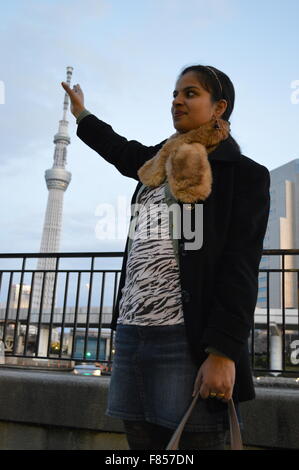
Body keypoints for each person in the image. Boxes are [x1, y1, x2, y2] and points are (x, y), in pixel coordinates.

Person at [61, 64, 270, 450]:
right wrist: (82, 115)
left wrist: (223, 353)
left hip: (185, 341)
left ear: (219, 106)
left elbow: (240, 267)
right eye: (174, 94)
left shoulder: (243, 174)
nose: (177, 101)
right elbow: (121, 150)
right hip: (132, 334)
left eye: (190, 93)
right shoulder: (158, 164)